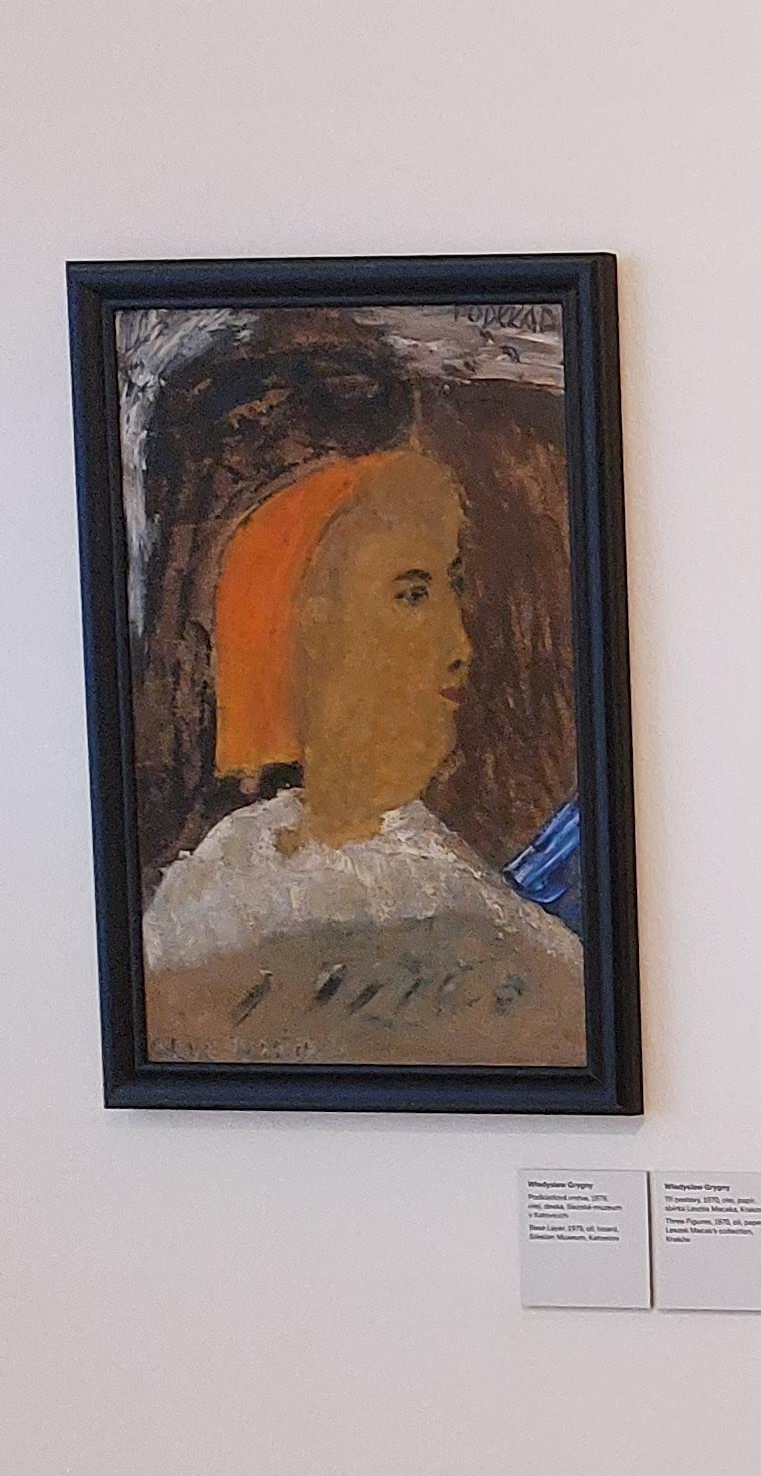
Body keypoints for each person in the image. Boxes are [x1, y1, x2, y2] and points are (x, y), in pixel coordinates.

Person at [140, 445, 587, 1063]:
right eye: (412, 595)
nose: (460, 644)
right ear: (307, 630)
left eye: (453, 588)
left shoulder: (476, 912)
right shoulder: (209, 890)